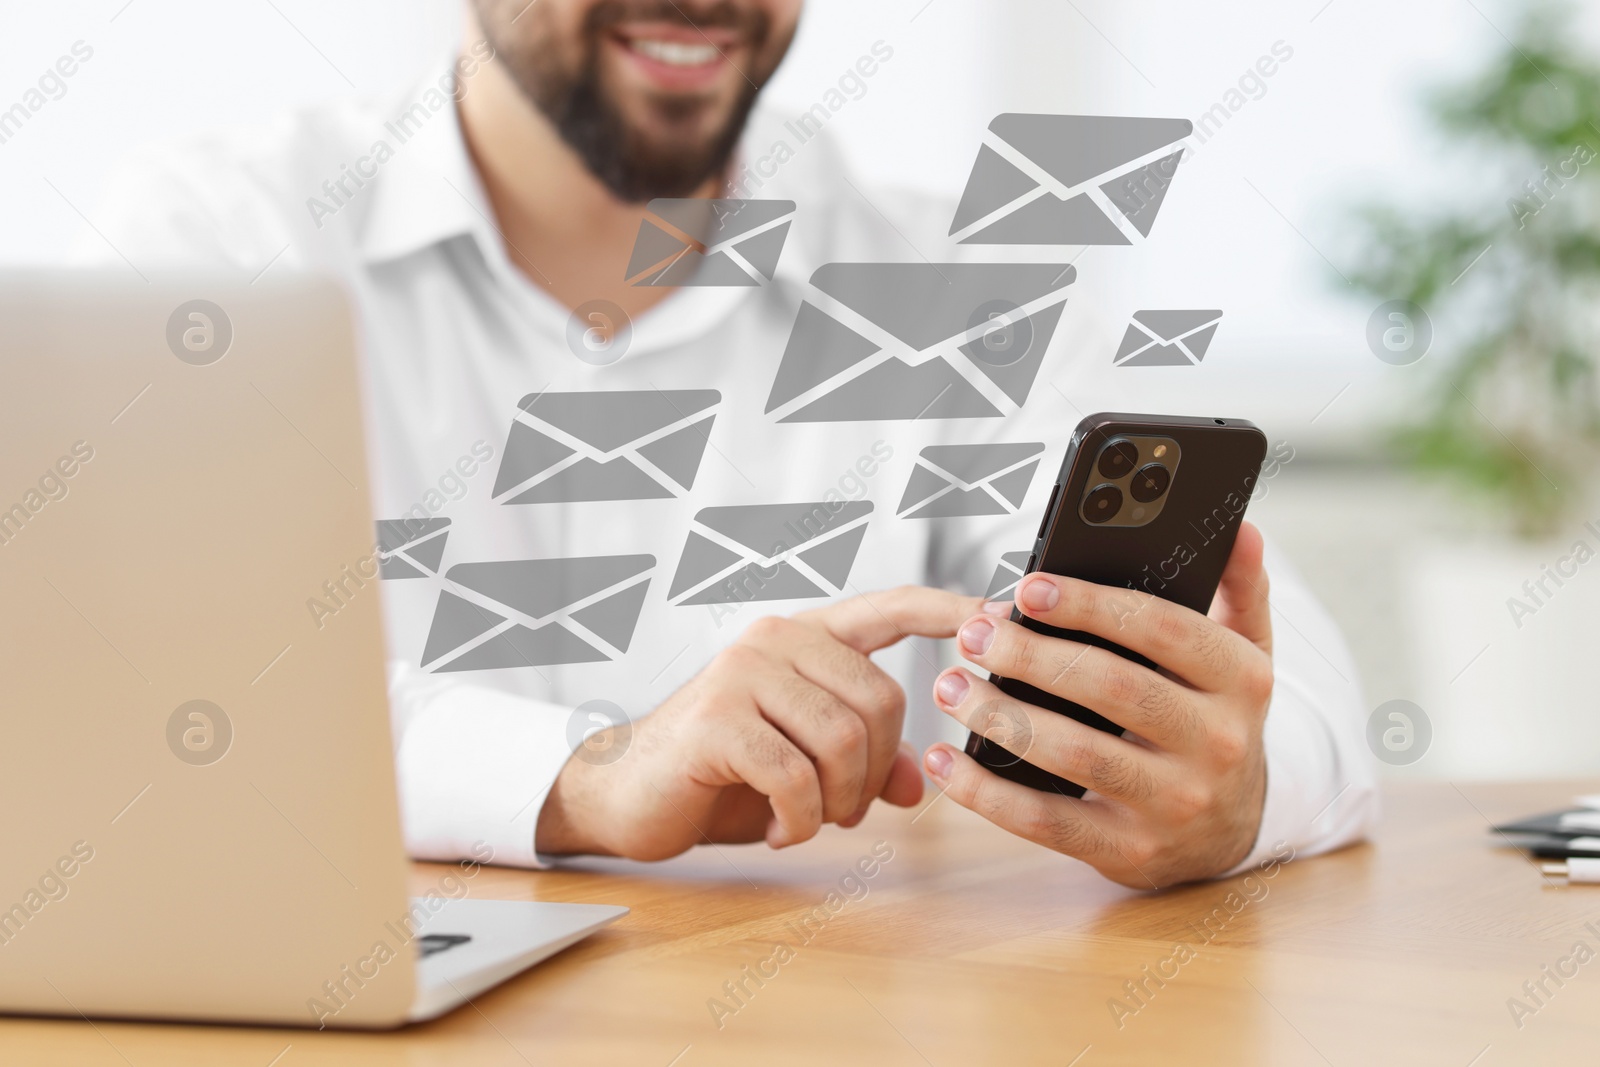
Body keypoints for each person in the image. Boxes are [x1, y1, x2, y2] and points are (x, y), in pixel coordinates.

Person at [91, 0, 1376, 887]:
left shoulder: (957, 288)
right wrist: (587, 776)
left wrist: (1237, 789)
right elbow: (130, 703)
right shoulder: (221, 243)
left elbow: (1300, 687)